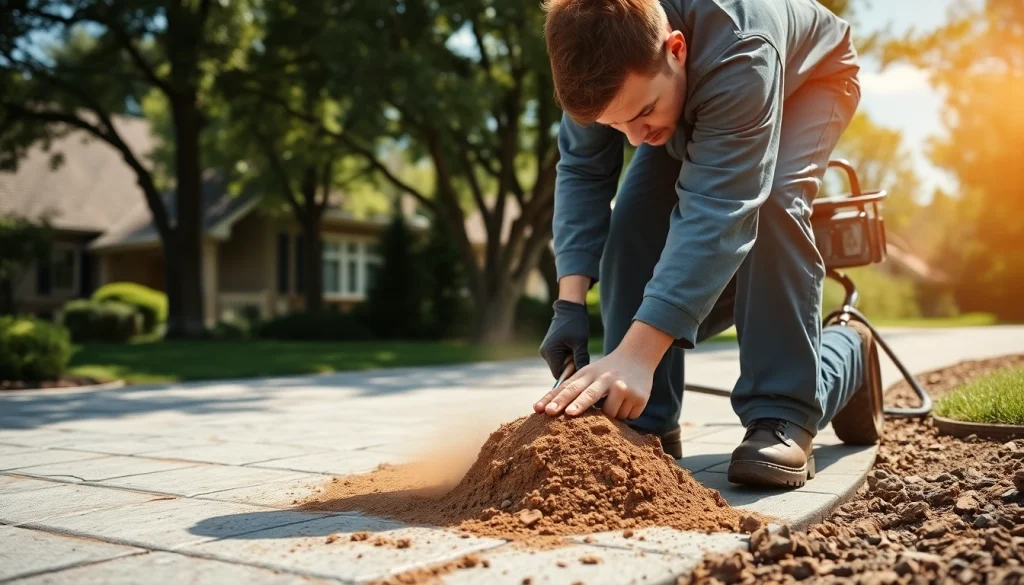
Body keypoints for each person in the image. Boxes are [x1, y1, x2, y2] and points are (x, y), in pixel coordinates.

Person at [533, 0, 884, 488]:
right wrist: (568, 303)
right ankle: (647, 418)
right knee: (632, 222)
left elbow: (721, 209)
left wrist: (637, 353)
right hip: (697, 97)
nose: (634, 140)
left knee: (773, 206)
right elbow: (583, 170)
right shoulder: (602, 52)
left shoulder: (742, 43)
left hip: (806, 80)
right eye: (616, 127)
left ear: (675, 49)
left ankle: (800, 395)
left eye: (641, 114)